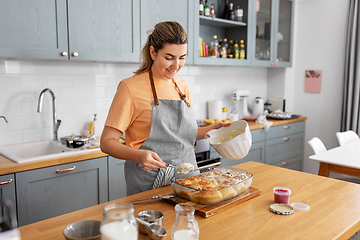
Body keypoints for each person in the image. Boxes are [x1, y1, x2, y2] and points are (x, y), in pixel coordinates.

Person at [100, 21, 230, 196]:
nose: (176, 65)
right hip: (149, 181)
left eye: (182, 57)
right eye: (169, 57)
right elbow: (107, 142)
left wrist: (211, 130)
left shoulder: (182, 86)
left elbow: (182, 135)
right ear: (153, 52)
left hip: (189, 179)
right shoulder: (130, 88)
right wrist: (139, 156)